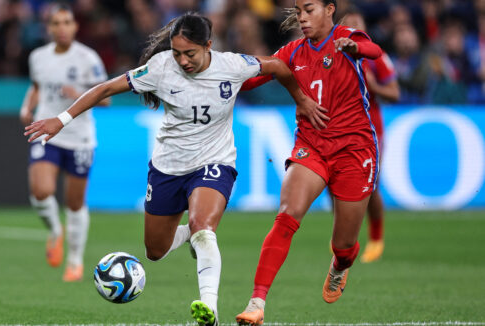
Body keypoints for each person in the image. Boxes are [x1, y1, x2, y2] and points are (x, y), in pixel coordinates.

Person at [24, 12, 322, 326]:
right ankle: (193, 237)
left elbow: (277, 66)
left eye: (190, 53)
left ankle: (209, 308)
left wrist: (301, 99)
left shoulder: (233, 65)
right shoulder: (160, 67)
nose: (182, 60)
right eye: (177, 53)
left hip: (215, 161)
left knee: (204, 227)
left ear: (208, 45)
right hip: (167, 167)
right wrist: (62, 119)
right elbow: (104, 90)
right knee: (155, 250)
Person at [234, 1, 383, 324]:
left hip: (355, 150)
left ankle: (340, 265)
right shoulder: (292, 52)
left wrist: (355, 46)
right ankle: (256, 303)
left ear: (330, 10)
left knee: (343, 245)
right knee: (287, 216)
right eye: (299, 10)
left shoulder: (346, 37)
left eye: (309, 9)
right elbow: (254, 78)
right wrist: (221, 77)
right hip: (311, 146)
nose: (302, 17)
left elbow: (374, 51)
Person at [19, 3, 109, 282]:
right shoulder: (38, 57)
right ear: (49, 28)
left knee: (74, 202)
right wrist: (26, 108)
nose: (61, 28)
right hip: (47, 130)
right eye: (56, 23)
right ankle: (56, 231)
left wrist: (79, 93)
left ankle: (74, 261)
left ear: (75, 26)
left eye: (66, 22)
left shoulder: (88, 58)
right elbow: (36, 87)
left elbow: (105, 98)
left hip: (79, 137)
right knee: (41, 190)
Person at [341, 8, 400, 263]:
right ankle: (343, 238)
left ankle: (376, 238)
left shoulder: (376, 56)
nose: (354, 28)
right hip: (339, 128)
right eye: (349, 24)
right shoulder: (333, 53)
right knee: (336, 187)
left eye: (358, 23)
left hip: (370, 128)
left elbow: (395, 93)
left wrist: (374, 86)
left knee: (370, 185)